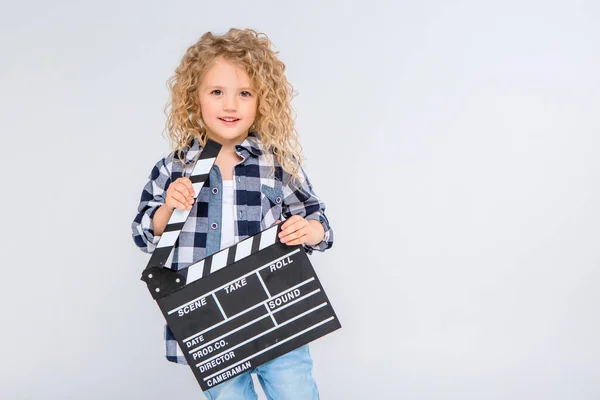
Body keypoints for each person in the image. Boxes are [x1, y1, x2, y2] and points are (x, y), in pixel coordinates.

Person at [131, 28, 334, 399]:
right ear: (195, 97)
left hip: (276, 309)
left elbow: (320, 222)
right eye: (217, 92)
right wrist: (167, 209)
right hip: (209, 320)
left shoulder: (277, 164)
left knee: (295, 389)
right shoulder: (173, 167)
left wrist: (309, 231)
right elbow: (143, 233)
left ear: (263, 101)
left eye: (244, 93)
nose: (230, 105)